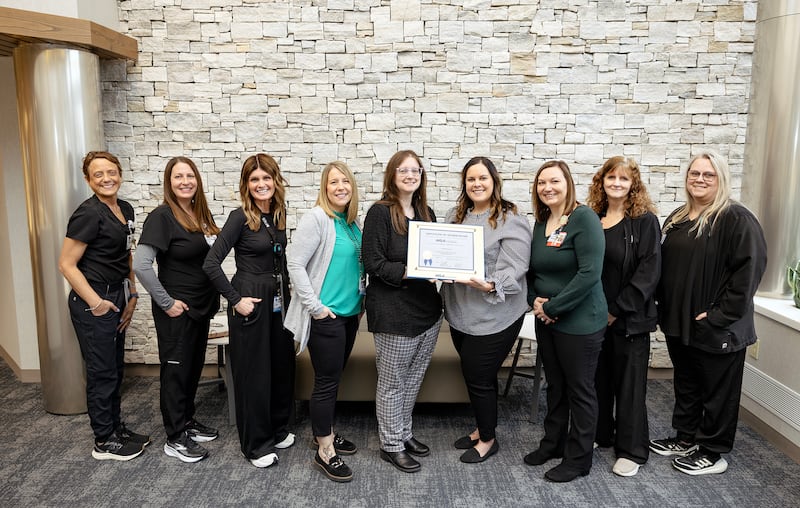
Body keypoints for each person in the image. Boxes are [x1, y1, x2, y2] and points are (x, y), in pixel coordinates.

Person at [649, 150, 767, 476]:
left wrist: (717, 316)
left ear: (721, 179)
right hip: (679, 324)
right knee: (687, 385)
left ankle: (713, 452)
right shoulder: (678, 218)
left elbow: (748, 275)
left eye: (708, 175)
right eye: (695, 173)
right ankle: (685, 437)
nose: (699, 179)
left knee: (718, 393)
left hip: (719, 327)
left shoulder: (735, 219)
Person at [203, 153, 295, 468]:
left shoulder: (279, 214)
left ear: (275, 180)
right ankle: (256, 445)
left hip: (278, 301)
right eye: (254, 179)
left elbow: (280, 259)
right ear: (246, 185)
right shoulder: (239, 217)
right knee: (255, 374)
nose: (261, 184)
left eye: (266, 178)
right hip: (251, 303)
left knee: (280, 368)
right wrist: (235, 299)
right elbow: (211, 263)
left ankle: (277, 428)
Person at [58, 151, 150, 461]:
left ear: (120, 174)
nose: (106, 178)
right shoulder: (88, 214)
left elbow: (126, 254)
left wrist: (132, 293)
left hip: (118, 294)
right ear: (88, 180)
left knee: (115, 369)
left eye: (111, 172)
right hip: (93, 299)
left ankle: (115, 428)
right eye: (98, 174)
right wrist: (97, 303)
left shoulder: (125, 208)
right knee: (101, 372)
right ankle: (104, 441)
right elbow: (66, 265)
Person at [440, 157, 532, 464]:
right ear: (464, 184)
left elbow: (518, 265)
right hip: (460, 312)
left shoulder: (510, 217)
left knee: (477, 374)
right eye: (470, 179)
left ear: (494, 181)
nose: (477, 184)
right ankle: (482, 427)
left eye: (483, 178)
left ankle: (489, 440)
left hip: (497, 314)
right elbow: (442, 253)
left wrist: (492, 284)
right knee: (478, 375)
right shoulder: (456, 216)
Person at [523, 160, 607, 482]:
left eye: (554, 181)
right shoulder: (541, 222)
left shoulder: (584, 218)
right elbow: (533, 271)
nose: (548, 188)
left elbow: (589, 274)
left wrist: (552, 306)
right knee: (554, 385)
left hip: (581, 323)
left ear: (568, 183)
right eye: (542, 183)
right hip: (548, 320)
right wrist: (534, 300)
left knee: (579, 390)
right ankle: (552, 443)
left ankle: (579, 458)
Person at [133, 157, 221, 463]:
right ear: (169, 183)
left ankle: (187, 420)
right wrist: (166, 302)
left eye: (190, 176)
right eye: (178, 177)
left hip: (200, 307)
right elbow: (141, 266)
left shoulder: (199, 215)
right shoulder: (162, 216)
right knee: (175, 372)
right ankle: (174, 436)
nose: (185, 181)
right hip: (177, 311)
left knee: (192, 368)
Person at [362, 149, 443, 474]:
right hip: (393, 312)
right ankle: (391, 445)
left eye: (416, 171)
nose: (410, 175)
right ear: (392, 176)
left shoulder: (428, 212)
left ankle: (404, 433)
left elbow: (439, 256)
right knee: (393, 383)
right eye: (403, 170)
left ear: (421, 176)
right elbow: (373, 262)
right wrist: (409, 271)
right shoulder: (380, 213)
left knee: (412, 380)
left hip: (427, 312)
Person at [285, 161, 363, 483]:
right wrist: (315, 307)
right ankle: (325, 451)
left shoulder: (351, 221)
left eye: (345, 181)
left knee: (334, 378)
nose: (340, 187)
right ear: (324, 187)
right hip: (327, 316)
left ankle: (324, 432)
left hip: (350, 314)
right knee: (326, 381)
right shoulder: (317, 218)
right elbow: (295, 263)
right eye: (333, 182)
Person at [586, 156, 661, 477]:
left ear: (634, 185)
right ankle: (601, 433)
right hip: (592, 318)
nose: (616, 183)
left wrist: (615, 311)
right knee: (597, 379)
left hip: (629, 319)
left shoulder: (644, 221)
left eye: (624, 179)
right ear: (601, 181)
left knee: (629, 386)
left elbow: (649, 272)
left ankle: (632, 450)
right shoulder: (592, 218)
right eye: (611, 177)